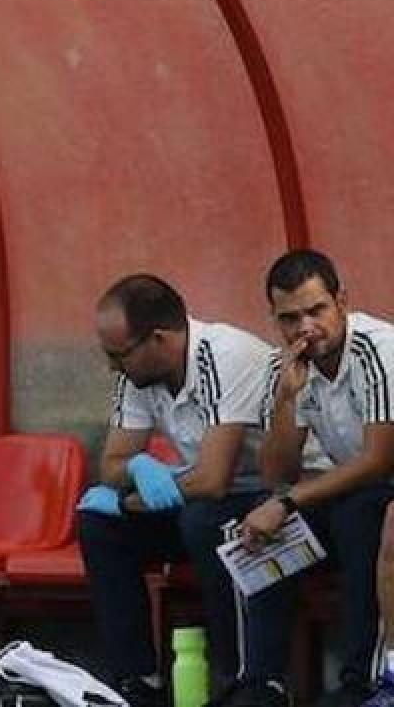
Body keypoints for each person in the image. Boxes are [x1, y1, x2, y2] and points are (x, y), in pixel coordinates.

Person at [77, 274, 274, 707]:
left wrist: (132, 496)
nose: (112, 366)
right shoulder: (138, 375)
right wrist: (137, 466)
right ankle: (136, 683)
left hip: (270, 497)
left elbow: (214, 479)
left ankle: (241, 681)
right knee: (99, 524)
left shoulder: (225, 356)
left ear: (161, 339)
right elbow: (111, 465)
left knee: (206, 520)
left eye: (119, 354)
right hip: (203, 496)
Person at [234, 250, 394, 707]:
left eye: (316, 311)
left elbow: (379, 459)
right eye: (289, 318)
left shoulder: (377, 349)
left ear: (341, 302)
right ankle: (262, 683)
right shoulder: (290, 368)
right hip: (356, 487)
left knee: (358, 516)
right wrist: (286, 399)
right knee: (261, 533)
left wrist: (287, 501)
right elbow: (275, 473)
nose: (304, 328)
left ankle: (360, 680)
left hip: (381, 487)